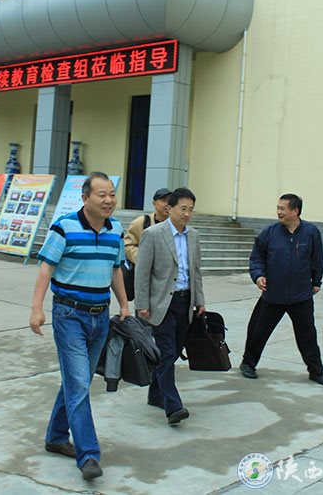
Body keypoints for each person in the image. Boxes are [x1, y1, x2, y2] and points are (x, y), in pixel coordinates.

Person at [30, 172, 130, 481]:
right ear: (85, 198)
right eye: (101, 194)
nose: (108, 200)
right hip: (69, 315)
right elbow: (46, 267)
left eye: (111, 194)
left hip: (101, 317)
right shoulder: (64, 227)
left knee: (79, 382)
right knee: (77, 384)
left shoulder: (116, 229)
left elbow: (116, 270)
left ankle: (56, 437)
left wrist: (124, 304)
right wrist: (36, 308)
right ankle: (88, 455)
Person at [239, 193, 323, 386]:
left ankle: (316, 371)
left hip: (301, 296)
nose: (278, 212)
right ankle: (248, 364)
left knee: (308, 336)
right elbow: (257, 257)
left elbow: (317, 259)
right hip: (273, 294)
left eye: (283, 208)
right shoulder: (270, 232)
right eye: (278, 208)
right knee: (258, 331)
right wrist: (258, 275)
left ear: (295, 211)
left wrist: (316, 282)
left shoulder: (311, 232)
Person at [134, 187, 205, 425]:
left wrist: (200, 301)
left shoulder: (194, 236)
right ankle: (173, 406)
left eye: (191, 210)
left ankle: (155, 394)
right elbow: (142, 273)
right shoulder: (153, 234)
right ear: (170, 208)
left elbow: (196, 272)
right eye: (183, 209)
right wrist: (142, 304)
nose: (187, 214)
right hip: (161, 303)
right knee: (166, 352)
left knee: (173, 352)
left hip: (185, 302)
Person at [124, 187, 171, 265]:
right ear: (154, 203)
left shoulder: (175, 225)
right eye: (164, 200)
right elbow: (128, 245)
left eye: (170, 201)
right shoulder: (141, 222)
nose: (167, 204)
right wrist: (143, 259)